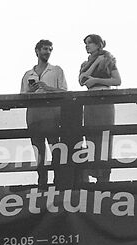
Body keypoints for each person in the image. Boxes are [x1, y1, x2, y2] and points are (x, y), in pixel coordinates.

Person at [20, 38, 67, 189]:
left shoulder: (56, 70)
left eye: (50, 49)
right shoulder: (28, 74)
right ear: (37, 51)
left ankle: (59, 181)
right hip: (34, 116)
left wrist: (48, 88)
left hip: (52, 115)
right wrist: (30, 91)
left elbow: (64, 92)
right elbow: (21, 97)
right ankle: (42, 183)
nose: (48, 52)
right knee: (38, 151)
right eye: (45, 49)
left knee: (55, 149)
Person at [78, 34, 120, 186]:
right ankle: (90, 174)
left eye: (90, 43)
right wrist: (95, 63)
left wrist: (97, 80)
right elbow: (82, 80)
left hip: (105, 101)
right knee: (90, 138)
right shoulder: (85, 63)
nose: (87, 46)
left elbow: (117, 80)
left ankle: (104, 178)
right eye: (86, 43)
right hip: (90, 102)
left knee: (105, 139)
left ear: (98, 44)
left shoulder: (108, 60)